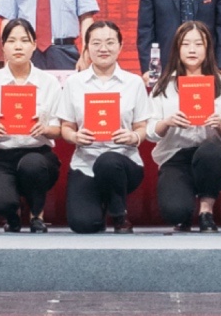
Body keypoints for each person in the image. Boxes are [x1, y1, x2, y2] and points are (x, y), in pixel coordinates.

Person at [41, 18, 147, 234]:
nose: (103, 48)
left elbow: (142, 128)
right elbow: (66, 127)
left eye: (110, 42)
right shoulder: (74, 83)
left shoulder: (134, 82)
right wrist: (75, 137)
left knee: (108, 161)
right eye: (96, 43)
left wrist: (133, 137)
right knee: (84, 225)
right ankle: (101, 202)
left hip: (123, 162)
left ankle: (119, 215)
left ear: (120, 46)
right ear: (86, 48)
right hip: (85, 163)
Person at [146, 21, 221, 232]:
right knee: (175, 213)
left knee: (209, 152)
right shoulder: (164, 85)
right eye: (186, 44)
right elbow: (151, 132)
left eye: (198, 44)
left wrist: (220, 125)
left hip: (213, 157)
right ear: (177, 49)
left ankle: (206, 211)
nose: (192, 49)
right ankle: (184, 209)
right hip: (176, 155)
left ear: (208, 49)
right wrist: (166, 123)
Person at [0, 18, 67, 230]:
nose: (18, 46)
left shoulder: (49, 83)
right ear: (3, 46)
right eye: (11, 41)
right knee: (0, 202)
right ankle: (13, 213)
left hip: (38, 155)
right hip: (1, 156)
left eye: (25, 41)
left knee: (32, 165)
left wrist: (45, 129)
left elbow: (59, 129)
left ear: (34, 45)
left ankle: (37, 214)